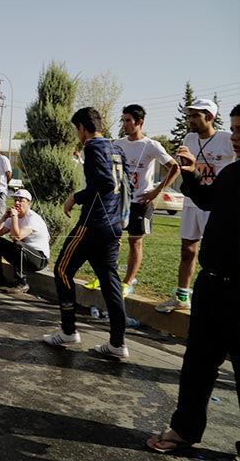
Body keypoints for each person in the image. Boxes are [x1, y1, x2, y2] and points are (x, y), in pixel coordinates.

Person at [145, 103, 240, 457]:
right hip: (211, 286)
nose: (236, 138)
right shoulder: (232, 173)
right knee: (197, 364)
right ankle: (184, 430)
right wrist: (190, 173)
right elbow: (207, 199)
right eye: (235, 130)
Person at [42, 107, 131, 358]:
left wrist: (75, 197)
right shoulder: (116, 148)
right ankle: (118, 343)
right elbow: (127, 184)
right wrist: (122, 217)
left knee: (62, 271)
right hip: (113, 226)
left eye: (76, 129)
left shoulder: (92, 147)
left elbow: (106, 183)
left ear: (82, 127)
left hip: (92, 224)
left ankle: (68, 331)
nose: (77, 134)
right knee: (110, 282)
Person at [156, 98, 234, 313]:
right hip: (192, 201)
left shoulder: (226, 138)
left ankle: (218, 298)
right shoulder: (189, 138)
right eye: (189, 115)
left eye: (195, 116)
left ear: (209, 117)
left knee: (215, 252)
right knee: (187, 249)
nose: (190, 120)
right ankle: (182, 295)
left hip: (214, 203)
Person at [103, 104, 179, 296]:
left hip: (141, 203)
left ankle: (127, 282)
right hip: (120, 202)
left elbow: (174, 167)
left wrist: (156, 191)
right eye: (123, 120)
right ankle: (108, 277)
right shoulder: (118, 143)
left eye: (128, 120)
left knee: (135, 242)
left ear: (139, 122)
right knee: (110, 239)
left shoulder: (151, 145)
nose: (124, 124)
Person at [0, 189, 49, 294]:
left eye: (21, 200)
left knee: (18, 245)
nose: (17, 203)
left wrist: (14, 217)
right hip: (22, 256)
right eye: (15, 200)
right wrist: (4, 217)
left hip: (39, 258)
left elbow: (16, 237)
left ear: (28, 203)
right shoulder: (14, 216)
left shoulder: (33, 218)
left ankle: (22, 282)